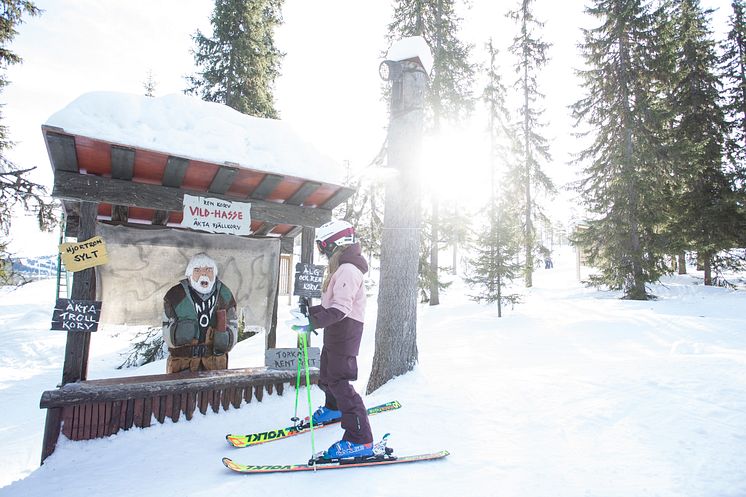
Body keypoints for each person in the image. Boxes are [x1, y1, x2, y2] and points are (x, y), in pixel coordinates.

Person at [287, 219, 374, 459]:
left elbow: (340, 309)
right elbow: (330, 305)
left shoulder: (348, 269)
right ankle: (333, 409)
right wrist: (309, 313)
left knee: (340, 383)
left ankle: (360, 439)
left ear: (337, 243)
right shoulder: (341, 267)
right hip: (336, 332)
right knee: (326, 376)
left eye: (323, 246)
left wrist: (311, 322)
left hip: (345, 332)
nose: (322, 252)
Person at [162, 252, 238, 373]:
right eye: (197, 270)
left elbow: (233, 324)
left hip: (215, 364)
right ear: (189, 274)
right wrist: (179, 333)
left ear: (215, 273)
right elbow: (166, 327)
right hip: (182, 364)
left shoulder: (225, 295)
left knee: (214, 392)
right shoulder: (175, 295)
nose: (204, 274)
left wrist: (226, 338)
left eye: (208, 270)